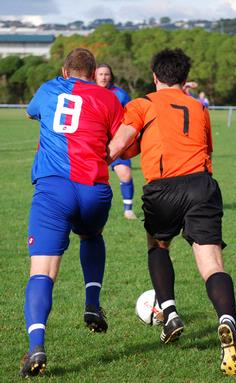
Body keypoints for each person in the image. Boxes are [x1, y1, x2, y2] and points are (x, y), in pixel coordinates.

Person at [107, 48, 236, 376]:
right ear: (184, 80)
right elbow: (207, 148)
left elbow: (120, 143)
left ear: (155, 76)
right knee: (211, 264)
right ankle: (227, 323)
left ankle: (169, 312)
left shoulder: (143, 104)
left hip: (163, 189)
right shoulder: (199, 107)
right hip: (201, 185)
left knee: (158, 245)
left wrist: (99, 160)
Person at [20, 48, 124, 378]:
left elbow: (31, 112)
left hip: (54, 190)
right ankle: (92, 303)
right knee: (92, 235)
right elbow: (123, 139)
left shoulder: (49, 89)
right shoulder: (109, 98)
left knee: (43, 271)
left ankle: (37, 345)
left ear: (65, 70)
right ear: (95, 74)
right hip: (94, 188)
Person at [95, 63, 137, 220]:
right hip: (94, 142)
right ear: (94, 76)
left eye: (106, 74)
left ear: (111, 76)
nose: (104, 77)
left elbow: (131, 115)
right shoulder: (89, 92)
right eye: (101, 74)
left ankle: (128, 210)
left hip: (116, 142)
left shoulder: (120, 94)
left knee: (125, 175)